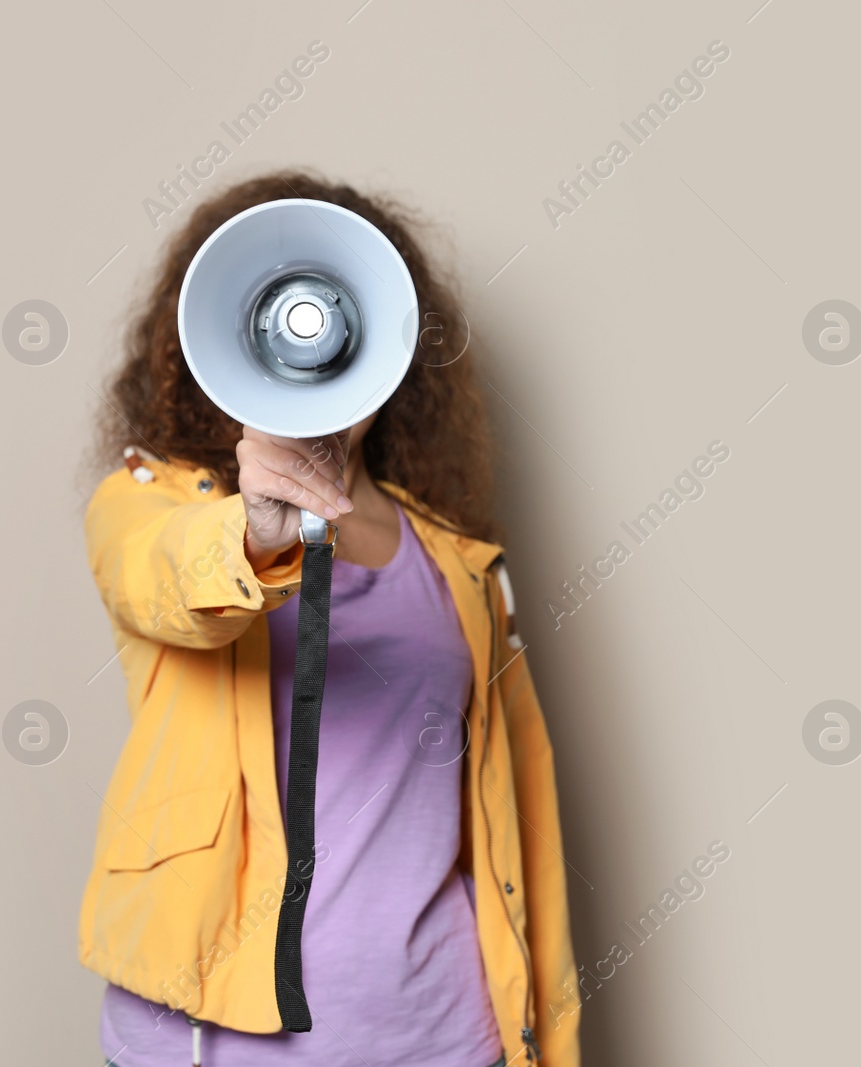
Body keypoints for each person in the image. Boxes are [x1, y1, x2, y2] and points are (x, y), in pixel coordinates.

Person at [81, 172, 579, 1067]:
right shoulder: (147, 503)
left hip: (442, 1035)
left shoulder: (459, 562)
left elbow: (521, 835)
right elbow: (159, 580)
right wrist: (255, 527)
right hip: (212, 1045)